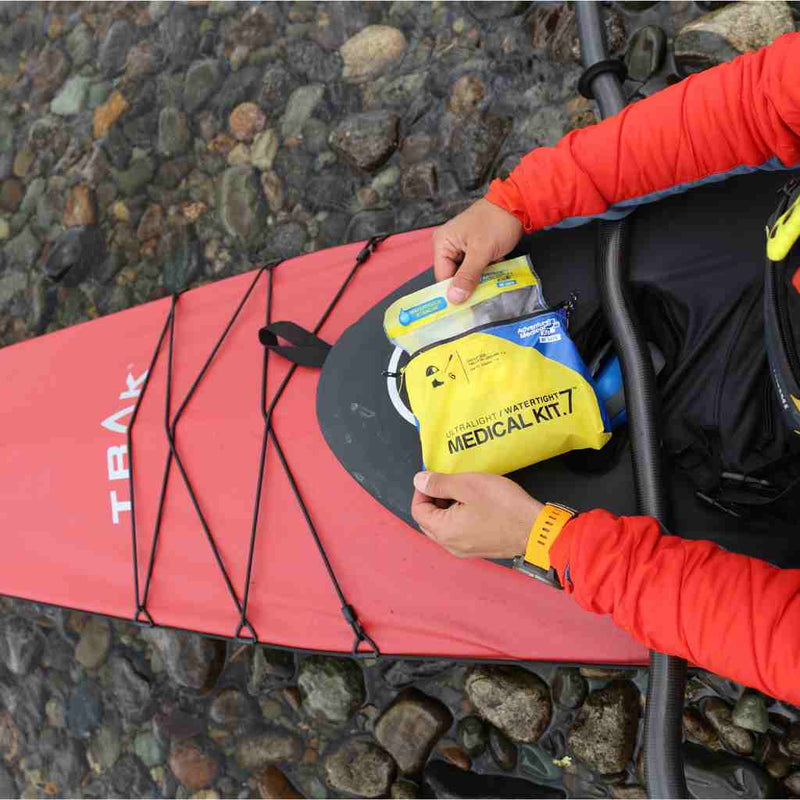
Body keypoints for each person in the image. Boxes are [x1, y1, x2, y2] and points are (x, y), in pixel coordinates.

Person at [412, 32, 800, 704]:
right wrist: (522, 199)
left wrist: (552, 543)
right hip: (767, 252)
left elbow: (779, 634)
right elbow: (759, 101)